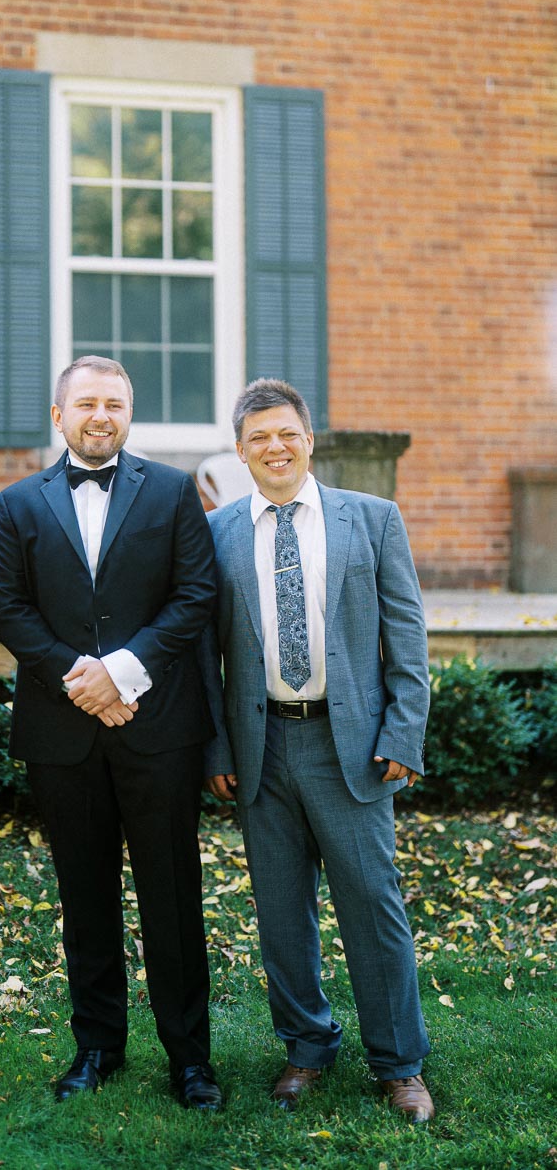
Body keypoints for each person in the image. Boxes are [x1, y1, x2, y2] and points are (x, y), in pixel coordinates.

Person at [0, 356, 222, 1112]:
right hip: (64, 733)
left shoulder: (173, 492)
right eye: (86, 403)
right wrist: (80, 679)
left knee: (172, 897)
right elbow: (6, 606)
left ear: (129, 413)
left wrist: (122, 672)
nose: (100, 416)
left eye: (114, 404)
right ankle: (96, 1046)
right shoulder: (18, 503)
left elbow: (196, 594)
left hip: (159, 728)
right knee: (84, 894)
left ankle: (190, 1059)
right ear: (59, 415)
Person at [203, 378, 434, 1123]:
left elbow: (406, 634)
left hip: (352, 745)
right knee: (281, 912)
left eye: (286, 433)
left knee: (372, 904)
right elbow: (205, 654)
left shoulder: (372, 519)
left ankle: (399, 1062)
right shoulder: (218, 533)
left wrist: (402, 731)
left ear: (308, 439)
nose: (274, 447)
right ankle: (306, 1047)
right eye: (258, 437)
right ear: (241, 451)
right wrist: (217, 746)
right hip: (261, 744)